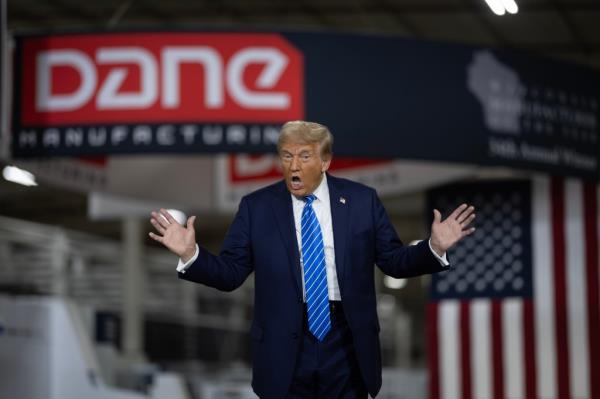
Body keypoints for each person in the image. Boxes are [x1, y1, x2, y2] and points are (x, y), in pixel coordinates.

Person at [149, 121, 475, 399]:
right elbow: (230, 273)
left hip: (346, 344)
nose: (294, 165)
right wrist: (191, 254)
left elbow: (393, 260)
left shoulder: (362, 202)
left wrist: (433, 246)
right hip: (284, 347)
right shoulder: (256, 208)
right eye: (287, 156)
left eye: (305, 156)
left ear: (325, 161)